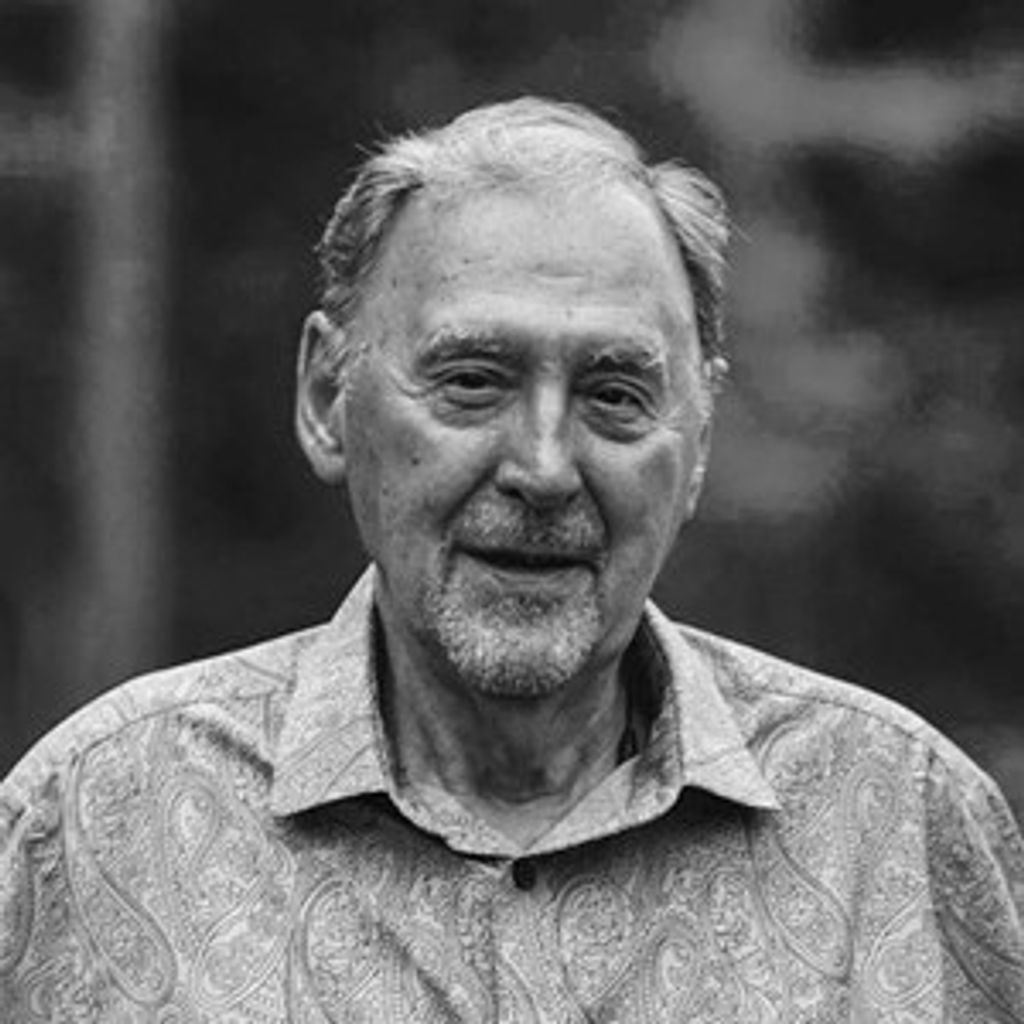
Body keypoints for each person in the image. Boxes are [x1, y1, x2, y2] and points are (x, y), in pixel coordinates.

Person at [2, 97, 1022, 1023]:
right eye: (472, 381)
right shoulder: (94, 826)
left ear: (699, 444)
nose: (542, 468)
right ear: (325, 400)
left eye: (614, 395)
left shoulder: (899, 826)